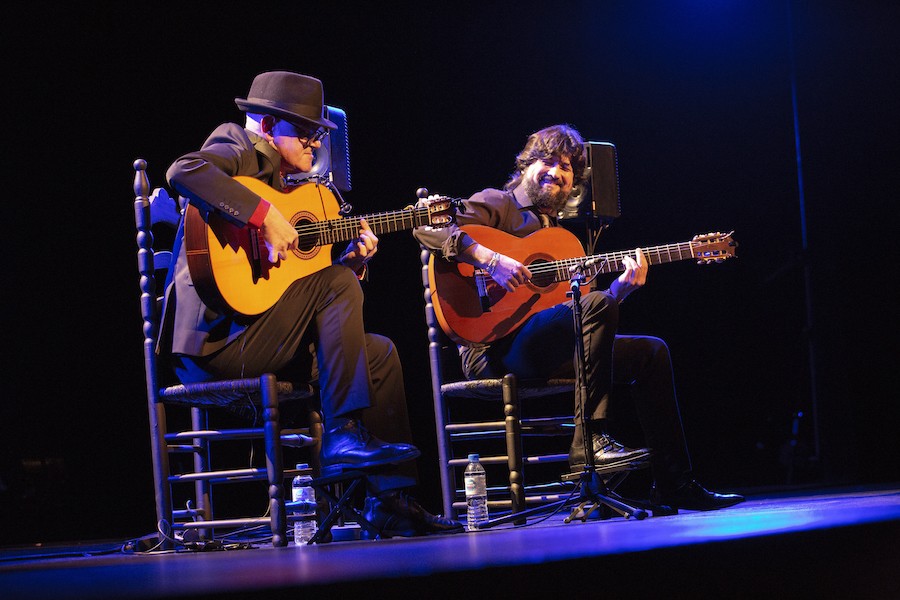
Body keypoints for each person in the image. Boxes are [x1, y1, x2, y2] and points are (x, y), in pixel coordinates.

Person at [162, 70, 462, 536]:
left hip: (263, 332)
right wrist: (263, 217)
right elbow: (183, 170)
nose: (313, 142)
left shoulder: (294, 188)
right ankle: (342, 436)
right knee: (338, 283)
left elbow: (298, 280)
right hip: (217, 344)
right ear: (265, 125)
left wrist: (349, 259)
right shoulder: (237, 144)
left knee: (379, 352)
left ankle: (393, 503)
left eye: (317, 132)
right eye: (302, 130)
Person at [413, 124, 743, 511]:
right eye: (548, 160)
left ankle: (675, 483)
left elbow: (585, 311)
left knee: (651, 352)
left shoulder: (562, 240)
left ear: (574, 183)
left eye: (566, 167)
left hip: (545, 347)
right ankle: (588, 445)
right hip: (493, 348)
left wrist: (620, 290)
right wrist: (491, 258)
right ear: (526, 165)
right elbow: (426, 224)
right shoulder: (497, 203)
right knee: (599, 305)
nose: (556, 172)